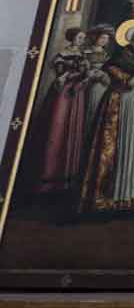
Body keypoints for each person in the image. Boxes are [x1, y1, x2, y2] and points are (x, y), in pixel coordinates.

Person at [77, 20, 134, 216]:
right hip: (118, 104)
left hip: (133, 105)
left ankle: (127, 197)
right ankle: (106, 199)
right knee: (114, 148)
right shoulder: (118, 58)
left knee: (131, 146)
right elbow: (129, 83)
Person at [31, 28, 91, 197]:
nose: (81, 40)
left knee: (71, 128)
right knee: (57, 128)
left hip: (77, 94)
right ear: (72, 38)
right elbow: (61, 74)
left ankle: (66, 179)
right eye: (79, 37)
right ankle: (48, 177)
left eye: (83, 38)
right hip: (64, 94)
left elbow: (85, 74)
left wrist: (86, 74)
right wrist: (77, 73)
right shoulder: (62, 54)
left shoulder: (83, 55)